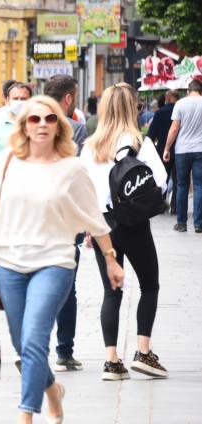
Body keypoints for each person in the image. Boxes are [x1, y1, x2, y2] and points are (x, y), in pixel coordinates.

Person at [0, 95, 124, 424]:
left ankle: (26, 414)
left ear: (60, 125)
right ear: (24, 126)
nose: (41, 124)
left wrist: (111, 259)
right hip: (10, 262)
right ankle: (52, 390)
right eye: (34, 119)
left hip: (54, 261)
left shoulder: (72, 167)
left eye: (49, 119)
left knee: (34, 339)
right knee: (19, 340)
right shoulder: (8, 160)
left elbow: (93, 215)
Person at [80, 82, 169, 381]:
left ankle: (112, 361)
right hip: (134, 223)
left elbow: (83, 191)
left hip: (104, 225)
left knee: (111, 292)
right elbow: (161, 180)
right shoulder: (139, 142)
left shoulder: (91, 146)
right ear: (133, 108)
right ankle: (143, 352)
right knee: (150, 285)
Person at [42, 74, 92, 372]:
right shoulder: (76, 129)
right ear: (70, 98)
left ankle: (31, 349)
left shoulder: (28, 125)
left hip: (32, 220)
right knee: (65, 288)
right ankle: (64, 351)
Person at [163, 79, 202, 233]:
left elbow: (174, 129)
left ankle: (181, 223)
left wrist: (167, 148)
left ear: (188, 90)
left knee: (182, 185)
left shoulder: (180, 103)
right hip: (200, 150)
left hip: (182, 150)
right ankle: (199, 224)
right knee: (199, 186)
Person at [147, 90, 179, 210]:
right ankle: (175, 206)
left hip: (162, 151)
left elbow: (151, 134)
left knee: (162, 178)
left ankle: (161, 204)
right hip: (179, 151)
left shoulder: (160, 112)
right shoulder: (181, 111)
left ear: (169, 98)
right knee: (178, 181)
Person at [44, 75, 87, 153]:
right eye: (76, 97)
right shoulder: (78, 129)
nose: (76, 102)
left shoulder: (31, 123)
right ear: (68, 99)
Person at [0, 82, 33, 152]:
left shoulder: (37, 118)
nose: (19, 102)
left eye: (23, 99)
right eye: (15, 99)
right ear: (7, 100)